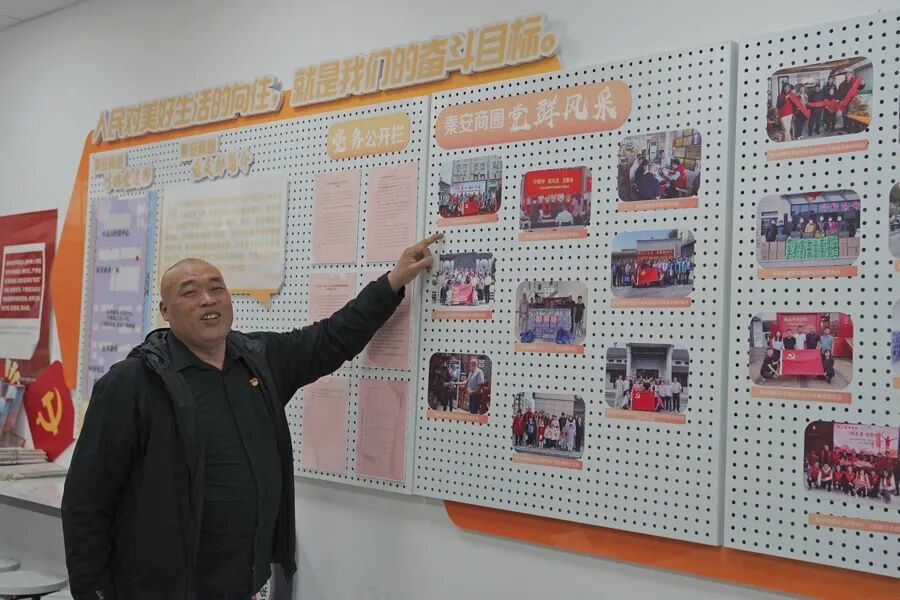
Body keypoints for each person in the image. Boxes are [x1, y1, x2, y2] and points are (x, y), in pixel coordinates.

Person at [62, 234, 442, 600]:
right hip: (163, 589)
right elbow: (86, 502)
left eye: (217, 288)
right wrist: (94, 593)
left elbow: (331, 337)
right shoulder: (133, 383)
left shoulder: (261, 358)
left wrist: (392, 282)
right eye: (189, 292)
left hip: (247, 583)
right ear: (165, 311)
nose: (208, 299)